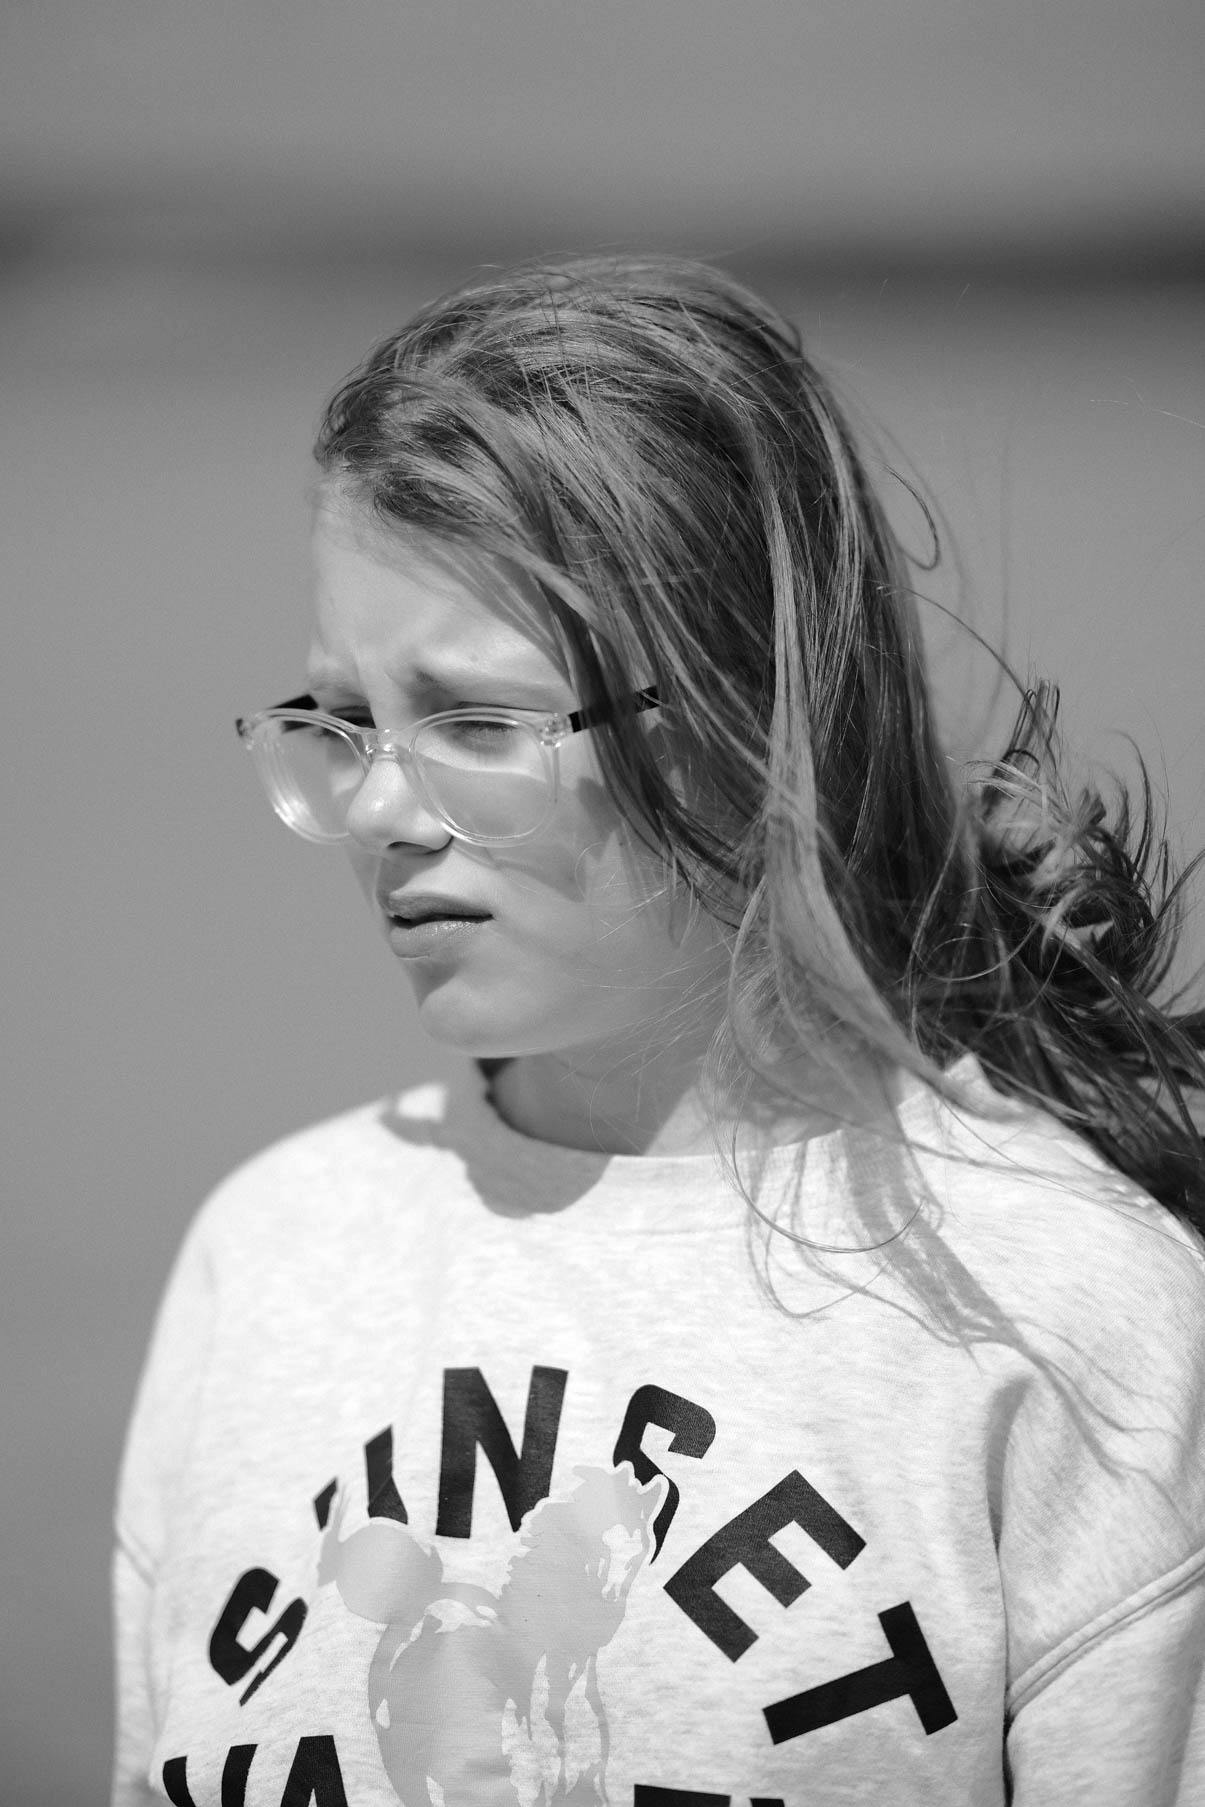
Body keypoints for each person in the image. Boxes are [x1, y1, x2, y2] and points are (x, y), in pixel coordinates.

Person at [111, 255, 1205, 1807]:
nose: (377, 811)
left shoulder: (1065, 1313)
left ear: (742, 719)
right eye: (343, 725)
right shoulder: (272, 1254)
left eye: (474, 723)